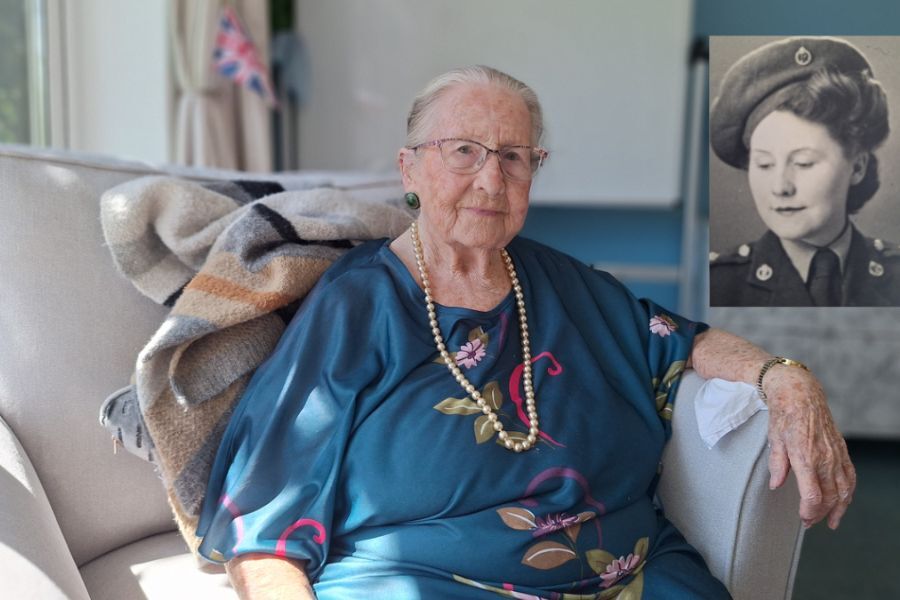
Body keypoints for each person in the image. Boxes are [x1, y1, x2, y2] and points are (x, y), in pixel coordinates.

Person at [196, 66, 854, 599]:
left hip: (632, 575)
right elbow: (265, 528)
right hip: (429, 583)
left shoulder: (564, 284)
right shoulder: (356, 307)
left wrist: (785, 377)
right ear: (410, 170)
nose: (491, 178)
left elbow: (682, 341)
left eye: (514, 156)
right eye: (464, 152)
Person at [709, 36, 900, 306]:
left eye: (803, 163)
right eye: (764, 164)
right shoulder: (716, 286)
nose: (780, 187)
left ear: (857, 166)